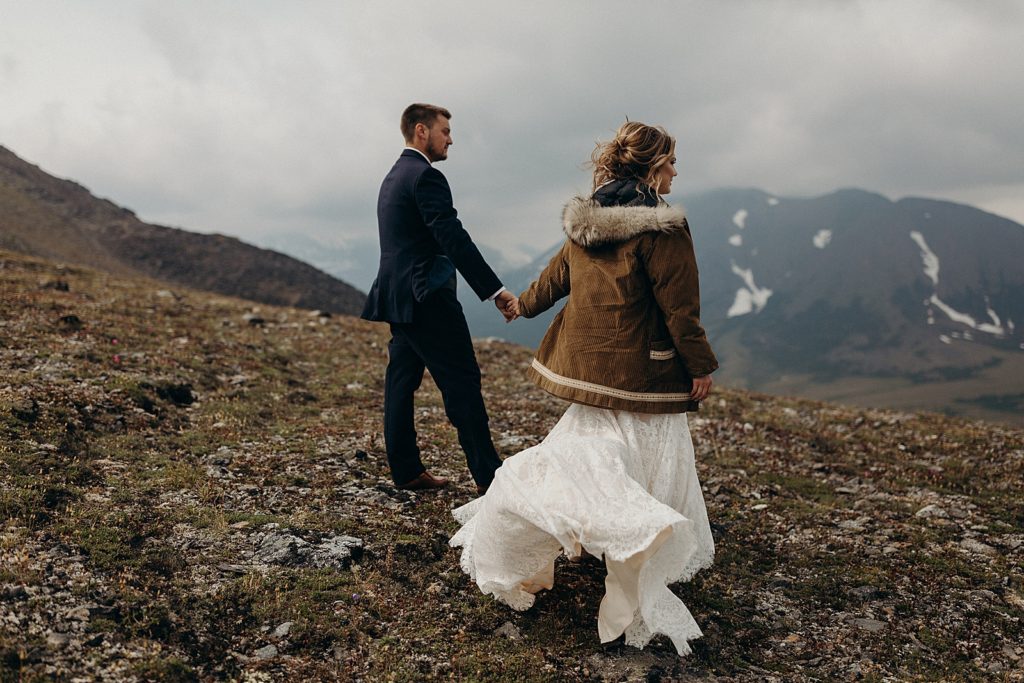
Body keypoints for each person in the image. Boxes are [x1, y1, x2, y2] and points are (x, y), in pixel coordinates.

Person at [450, 121, 719, 655]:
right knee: (645, 474)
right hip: (643, 375)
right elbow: (680, 309)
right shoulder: (663, 229)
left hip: (589, 371)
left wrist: (520, 305)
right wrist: (700, 365)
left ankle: (552, 524)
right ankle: (633, 564)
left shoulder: (585, 222)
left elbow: (555, 279)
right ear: (649, 167)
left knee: (586, 460)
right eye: (670, 161)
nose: (675, 171)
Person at [361, 103, 516, 494]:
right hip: (427, 296)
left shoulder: (393, 176)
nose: (451, 138)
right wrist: (494, 290)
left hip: (398, 295)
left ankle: (407, 470)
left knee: (401, 381)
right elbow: (452, 236)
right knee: (461, 380)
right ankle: (491, 479)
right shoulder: (426, 177)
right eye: (445, 130)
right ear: (421, 131)